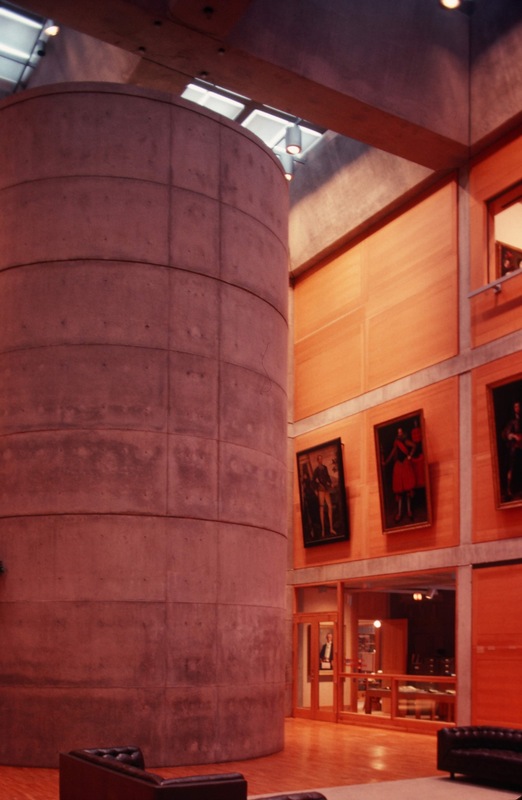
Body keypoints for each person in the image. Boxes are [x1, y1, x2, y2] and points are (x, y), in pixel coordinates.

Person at [382, 427, 416, 522]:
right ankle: (399, 513)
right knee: (399, 492)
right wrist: (386, 462)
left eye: (400, 432)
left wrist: (410, 455)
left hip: (406, 465)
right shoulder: (396, 442)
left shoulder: (406, 441)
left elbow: (414, 446)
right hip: (398, 466)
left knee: (408, 490)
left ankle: (409, 511)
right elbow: (393, 453)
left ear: (403, 432)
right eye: (398, 432)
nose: (399, 434)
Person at [502, 400, 522, 499]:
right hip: (514, 448)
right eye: (516, 407)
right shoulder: (511, 421)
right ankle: (509, 489)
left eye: (519, 406)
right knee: (511, 467)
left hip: (520, 447)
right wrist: (514, 436)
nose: (518, 408)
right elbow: (505, 434)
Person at [312, 454, 335, 536]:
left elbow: (327, 476)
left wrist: (330, 483)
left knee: (330, 506)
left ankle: (331, 528)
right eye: (319, 459)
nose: (321, 460)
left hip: (326, 488)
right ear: (317, 461)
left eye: (321, 459)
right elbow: (313, 481)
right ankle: (323, 530)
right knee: (321, 508)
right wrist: (315, 489)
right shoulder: (316, 470)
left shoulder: (325, 468)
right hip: (321, 490)